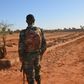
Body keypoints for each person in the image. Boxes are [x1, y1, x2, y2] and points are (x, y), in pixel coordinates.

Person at [18, 14, 46, 84]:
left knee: (30, 77)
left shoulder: (23, 32)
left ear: (26, 21)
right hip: (37, 55)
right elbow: (44, 45)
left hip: (27, 57)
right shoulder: (40, 30)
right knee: (38, 72)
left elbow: (21, 47)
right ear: (34, 21)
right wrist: (40, 54)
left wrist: (22, 58)